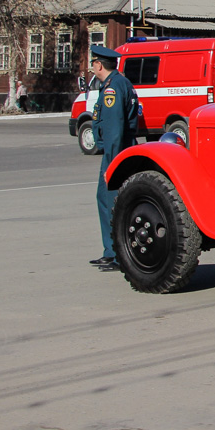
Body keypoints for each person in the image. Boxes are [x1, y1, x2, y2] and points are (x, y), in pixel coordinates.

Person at [88, 45, 140, 271]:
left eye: (93, 63)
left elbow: (115, 129)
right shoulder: (115, 83)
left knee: (112, 202)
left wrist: (113, 162)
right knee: (104, 199)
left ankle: (119, 254)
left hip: (116, 153)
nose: (92, 67)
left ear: (99, 65)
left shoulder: (113, 88)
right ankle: (110, 251)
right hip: (116, 152)